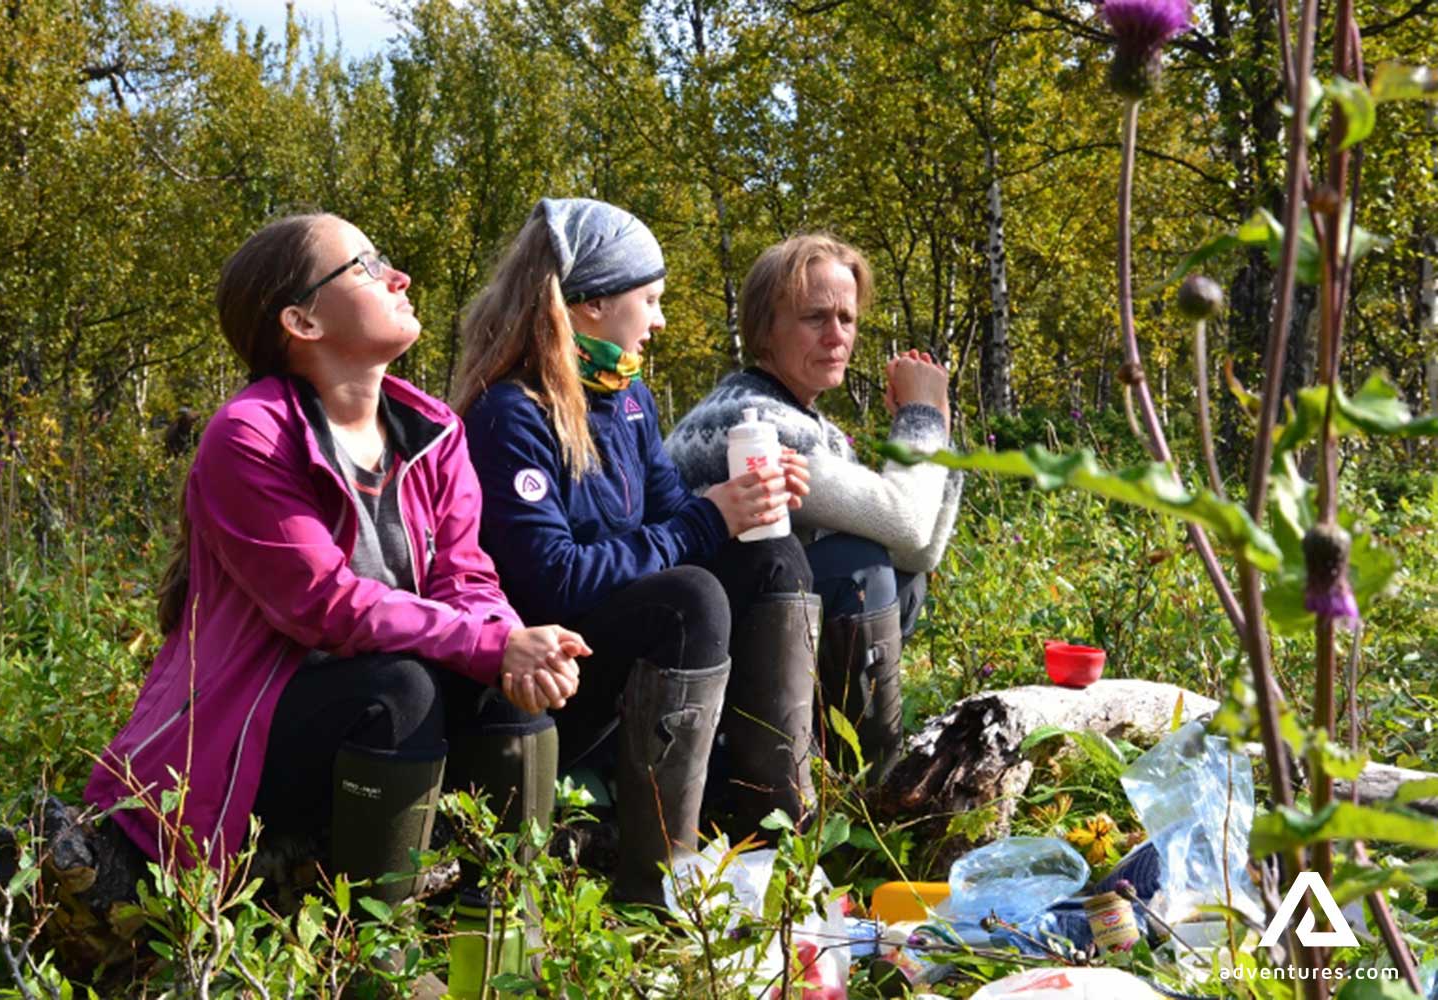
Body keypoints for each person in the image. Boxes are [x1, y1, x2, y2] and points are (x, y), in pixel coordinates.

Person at [85, 214, 586, 909]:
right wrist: (496, 641)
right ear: (303, 322)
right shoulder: (249, 434)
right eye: (365, 266)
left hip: (375, 724)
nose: (398, 276)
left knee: (503, 692)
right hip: (248, 734)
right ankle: (378, 960)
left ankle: (504, 942)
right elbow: (322, 602)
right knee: (401, 688)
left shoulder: (434, 431)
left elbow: (466, 577)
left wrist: (516, 647)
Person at [454, 198, 820, 905]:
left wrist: (743, 503)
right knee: (690, 597)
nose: (658, 320)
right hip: (551, 675)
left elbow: (671, 518)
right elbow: (550, 582)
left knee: (773, 557)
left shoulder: (626, 399)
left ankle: (771, 830)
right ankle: (654, 881)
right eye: (648, 300)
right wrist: (708, 521)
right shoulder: (511, 414)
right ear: (590, 306)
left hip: (625, 648)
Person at [666, 233, 964, 784]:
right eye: (814, 318)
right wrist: (920, 418)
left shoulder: (810, 424)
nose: (837, 337)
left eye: (847, 319)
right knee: (859, 563)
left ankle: (846, 770)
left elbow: (921, 548)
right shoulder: (750, 420)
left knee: (897, 576)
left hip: (764, 650)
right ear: (765, 328)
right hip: (712, 665)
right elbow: (907, 521)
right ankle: (869, 776)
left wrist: (936, 425)